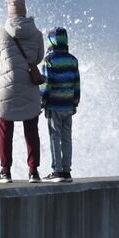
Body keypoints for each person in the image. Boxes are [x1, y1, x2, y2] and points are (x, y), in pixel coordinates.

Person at [0, 0, 45, 183]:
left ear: (9, 12)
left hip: (6, 89)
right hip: (29, 87)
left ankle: (5, 171)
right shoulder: (36, 34)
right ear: (24, 10)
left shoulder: (1, 32)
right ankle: (33, 171)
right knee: (31, 130)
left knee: (5, 131)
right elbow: (38, 58)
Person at [40, 27, 80, 182]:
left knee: (54, 137)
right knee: (67, 137)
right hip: (68, 105)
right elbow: (77, 84)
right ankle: (67, 171)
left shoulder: (49, 60)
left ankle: (56, 171)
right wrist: (75, 102)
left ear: (50, 41)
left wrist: (42, 102)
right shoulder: (73, 60)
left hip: (54, 105)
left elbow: (46, 84)